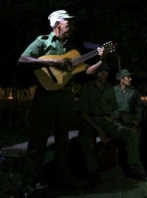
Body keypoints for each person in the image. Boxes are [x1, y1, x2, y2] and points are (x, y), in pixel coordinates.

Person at [16, 10, 107, 196]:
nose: (71, 27)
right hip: (46, 96)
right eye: (68, 23)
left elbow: (88, 71)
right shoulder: (42, 41)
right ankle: (28, 186)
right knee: (38, 141)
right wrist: (51, 62)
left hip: (65, 98)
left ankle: (61, 178)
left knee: (63, 141)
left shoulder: (72, 49)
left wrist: (101, 59)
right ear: (57, 23)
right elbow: (22, 60)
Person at [76, 64, 147, 190]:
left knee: (130, 133)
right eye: (100, 72)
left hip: (106, 122)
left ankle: (132, 168)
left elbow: (111, 111)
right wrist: (99, 130)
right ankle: (93, 174)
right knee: (84, 140)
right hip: (90, 122)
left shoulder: (110, 89)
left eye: (106, 72)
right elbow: (83, 113)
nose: (104, 74)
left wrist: (110, 127)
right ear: (95, 73)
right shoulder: (87, 88)